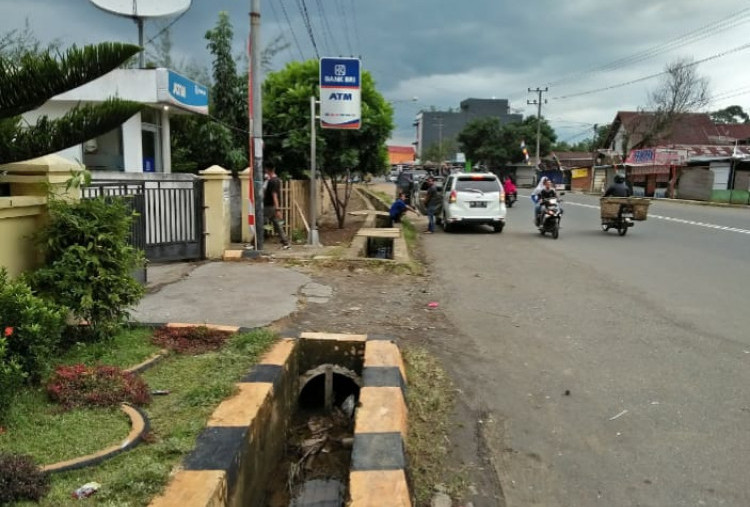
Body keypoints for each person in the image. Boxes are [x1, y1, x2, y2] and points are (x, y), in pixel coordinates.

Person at [263, 164, 290, 249]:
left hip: (269, 206)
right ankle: (285, 243)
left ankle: (253, 243)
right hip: (272, 207)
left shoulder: (272, 181)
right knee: (277, 225)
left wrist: (277, 209)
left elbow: (274, 195)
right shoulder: (277, 180)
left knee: (260, 223)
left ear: (267, 170)